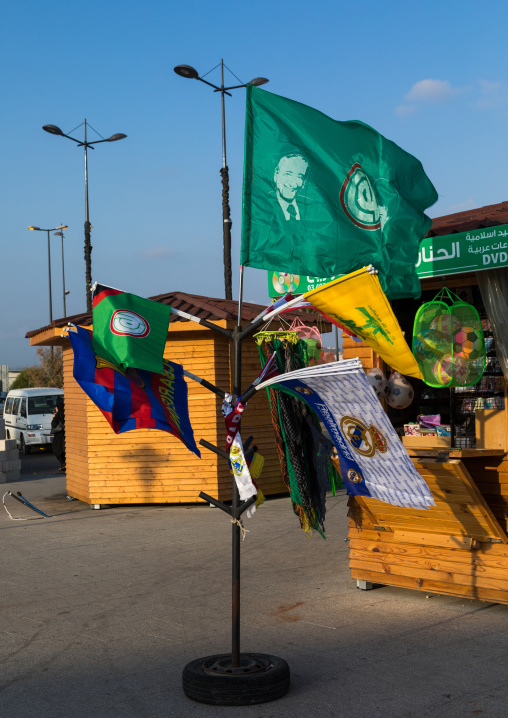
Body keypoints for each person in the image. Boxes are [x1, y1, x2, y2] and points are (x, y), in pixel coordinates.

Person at [272, 153, 310, 221]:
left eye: (299, 177)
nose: (293, 184)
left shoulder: (311, 207)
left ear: (304, 182)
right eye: (288, 174)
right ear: (276, 175)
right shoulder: (261, 206)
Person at [51, 401, 66, 471]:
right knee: (64, 450)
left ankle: (63, 464)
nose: (55, 408)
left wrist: (54, 418)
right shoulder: (65, 414)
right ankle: (64, 464)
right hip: (65, 434)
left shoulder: (58, 415)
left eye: (56, 407)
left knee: (56, 449)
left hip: (59, 435)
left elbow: (53, 424)